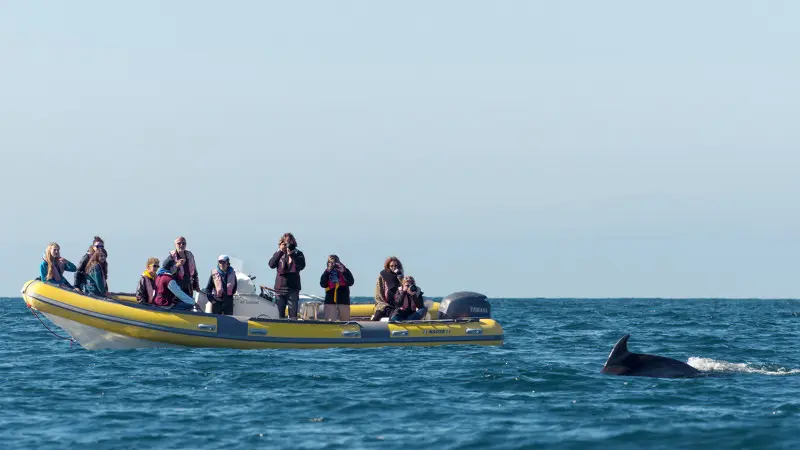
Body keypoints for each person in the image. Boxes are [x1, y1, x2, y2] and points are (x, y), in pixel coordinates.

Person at [268, 232, 306, 319]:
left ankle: (293, 328)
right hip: (280, 287)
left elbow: (301, 266)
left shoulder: (298, 253)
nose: (288, 245)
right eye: (286, 242)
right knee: (278, 313)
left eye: (290, 242)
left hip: (293, 287)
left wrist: (292, 254)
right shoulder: (279, 253)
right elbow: (271, 265)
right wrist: (281, 251)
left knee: (293, 313)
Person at [319, 255, 355, 321]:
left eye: (336, 262)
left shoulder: (345, 270)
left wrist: (343, 272)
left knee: (345, 322)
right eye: (331, 263)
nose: (334, 265)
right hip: (330, 301)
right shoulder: (327, 272)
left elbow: (351, 282)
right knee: (329, 323)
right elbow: (323, 284)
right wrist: (328, 271)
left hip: (343, 301)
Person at [371, 256, 404, 321]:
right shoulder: (383, 275)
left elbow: (403, 288)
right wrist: (383, 303)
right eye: (391, 266)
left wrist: (400, 277)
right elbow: (378, 291)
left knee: (393, 315)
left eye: (395, 265)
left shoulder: (400, 276)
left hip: (396, 304)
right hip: (384, 303)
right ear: (388, 266)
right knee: (378, 313)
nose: (394, 267)